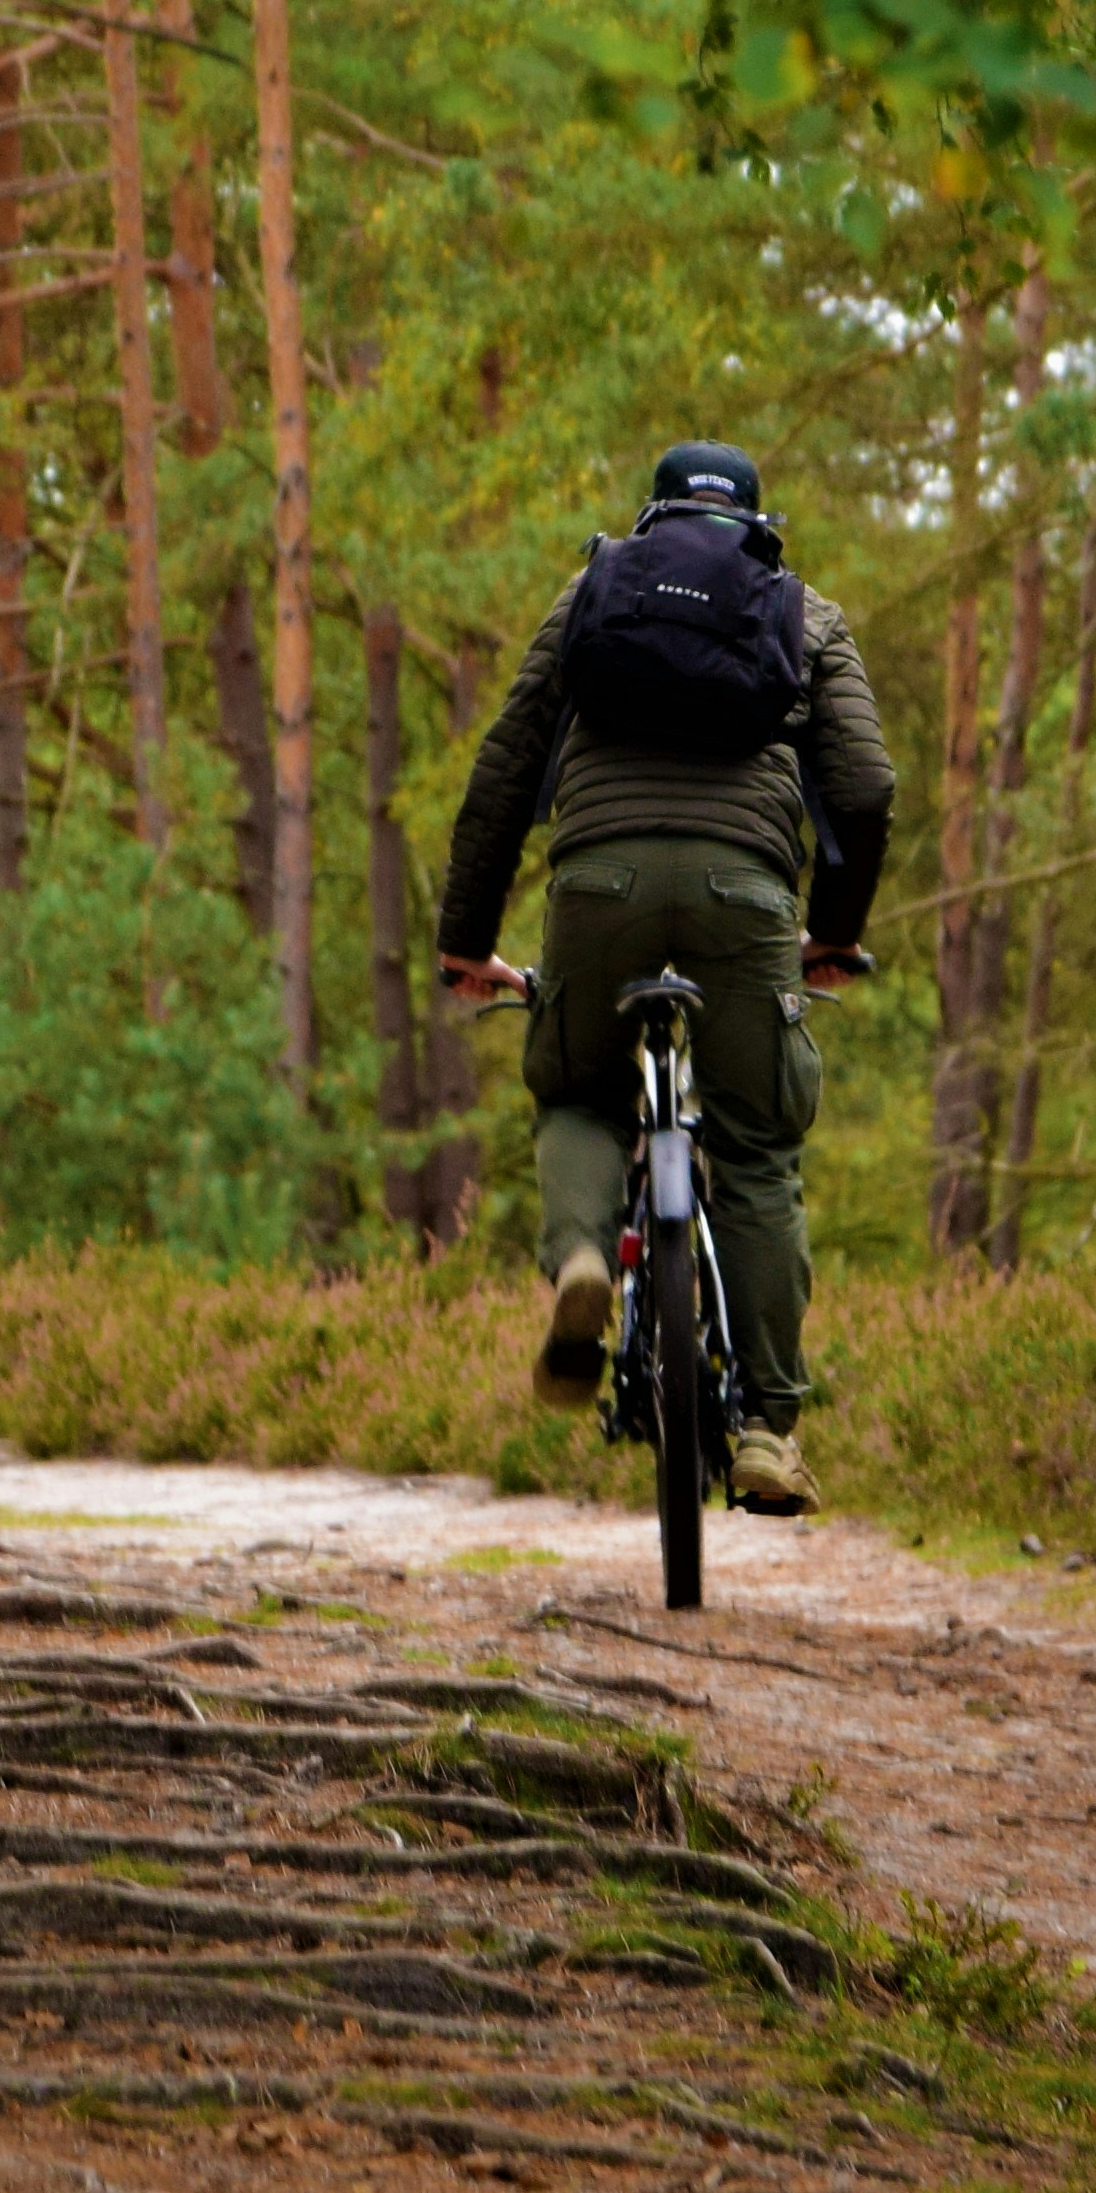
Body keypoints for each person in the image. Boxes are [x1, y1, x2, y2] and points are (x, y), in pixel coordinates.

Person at [431, 439, 898, 1517]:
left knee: (577, 1087)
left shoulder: (594, 591)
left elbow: (504, 766)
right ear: (758, 522)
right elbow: (866, 786)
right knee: (759, 1148)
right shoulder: (804, 612)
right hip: (746, 902)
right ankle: (770, 1428)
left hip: (599, 889)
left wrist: (467, 941)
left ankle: (588, 1257)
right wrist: (831, 930)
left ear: (653, 517)